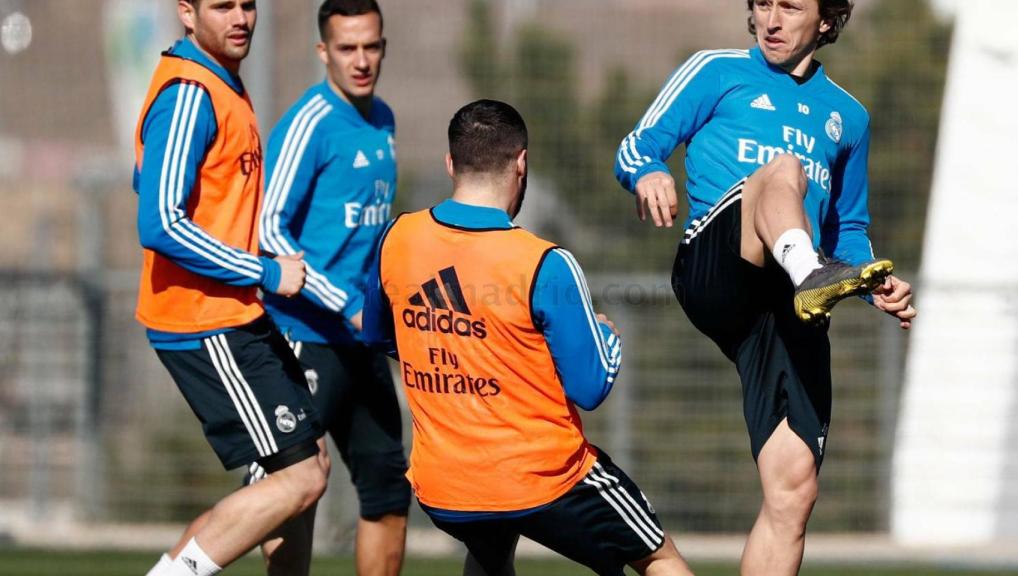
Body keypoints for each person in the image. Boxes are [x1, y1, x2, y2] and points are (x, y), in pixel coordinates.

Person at [614, 1, 916, 574]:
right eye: (762, 5)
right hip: (717, 263)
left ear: (826, 21)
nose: (770, 20)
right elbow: (637, 144)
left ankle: (810, 279)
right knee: (782, 171)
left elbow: (848, 229)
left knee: (793, 492)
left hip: (788, 305)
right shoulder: (716, 70)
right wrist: (650, 170)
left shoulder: (849, 117)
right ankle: (810, 276)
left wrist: (875, 282)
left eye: (790, 6)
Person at [363, 99, 694, 576]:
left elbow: (383, 337)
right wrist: (606, 335)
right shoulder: (545, 262)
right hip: (544, 480)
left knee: (490, 550)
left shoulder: (397, 238)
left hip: (444, 486)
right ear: (522, 164)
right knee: (659, 557)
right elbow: (591, 387)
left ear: (450, 163)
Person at [133, 1, 328, 574]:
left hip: (232, 312)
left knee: (307, 461)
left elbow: (151, 179)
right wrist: (263, 271)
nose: (240, 17)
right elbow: (161, 222)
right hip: (203, 320)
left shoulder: (220, 83)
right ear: (187, 14)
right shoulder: (191, 92)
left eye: (248, 4)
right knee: (300, 476)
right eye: (223, 6)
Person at [254, 0, 409, 574]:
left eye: (372, 46)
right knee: (298, 490)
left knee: (389, 492)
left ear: (384, 47)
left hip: (361, 340)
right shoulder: (308, 123)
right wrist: (342, 300)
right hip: (304, 335)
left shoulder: (384, 119)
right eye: (347, 48)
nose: (361, 60)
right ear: (324, 52)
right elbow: (268, 225)